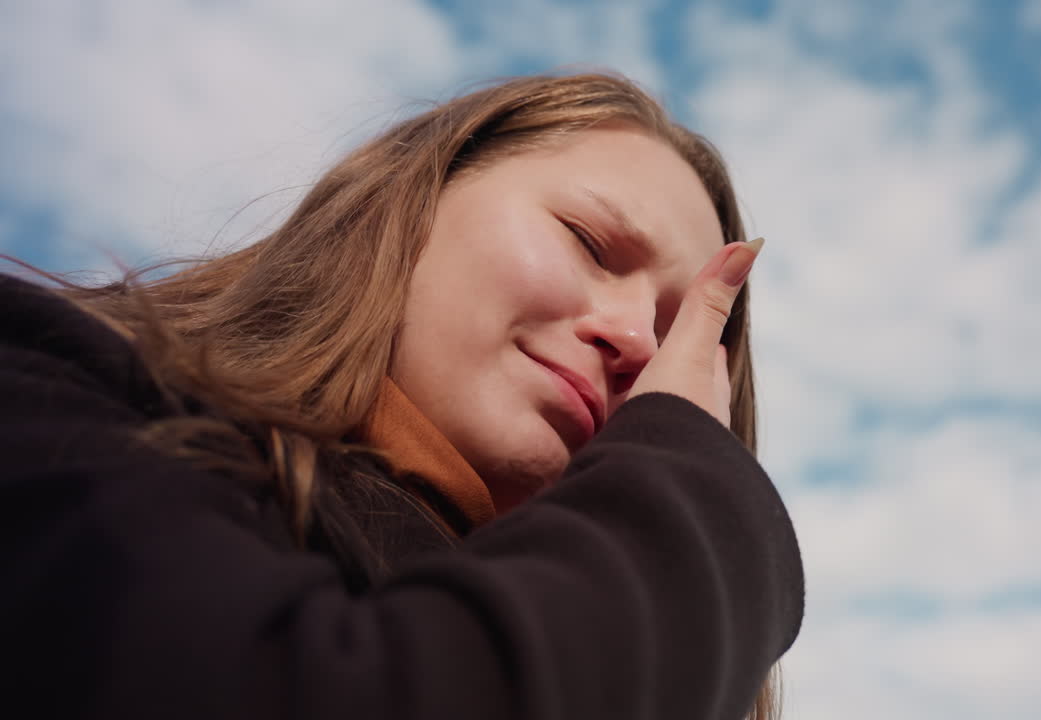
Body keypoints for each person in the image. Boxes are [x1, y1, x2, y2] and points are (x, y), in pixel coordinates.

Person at [0, 72, 804, 720]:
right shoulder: (50, 386)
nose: (637, 341)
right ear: (408, 205)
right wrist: (689, 491)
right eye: (591, 244)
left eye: (679, 335)